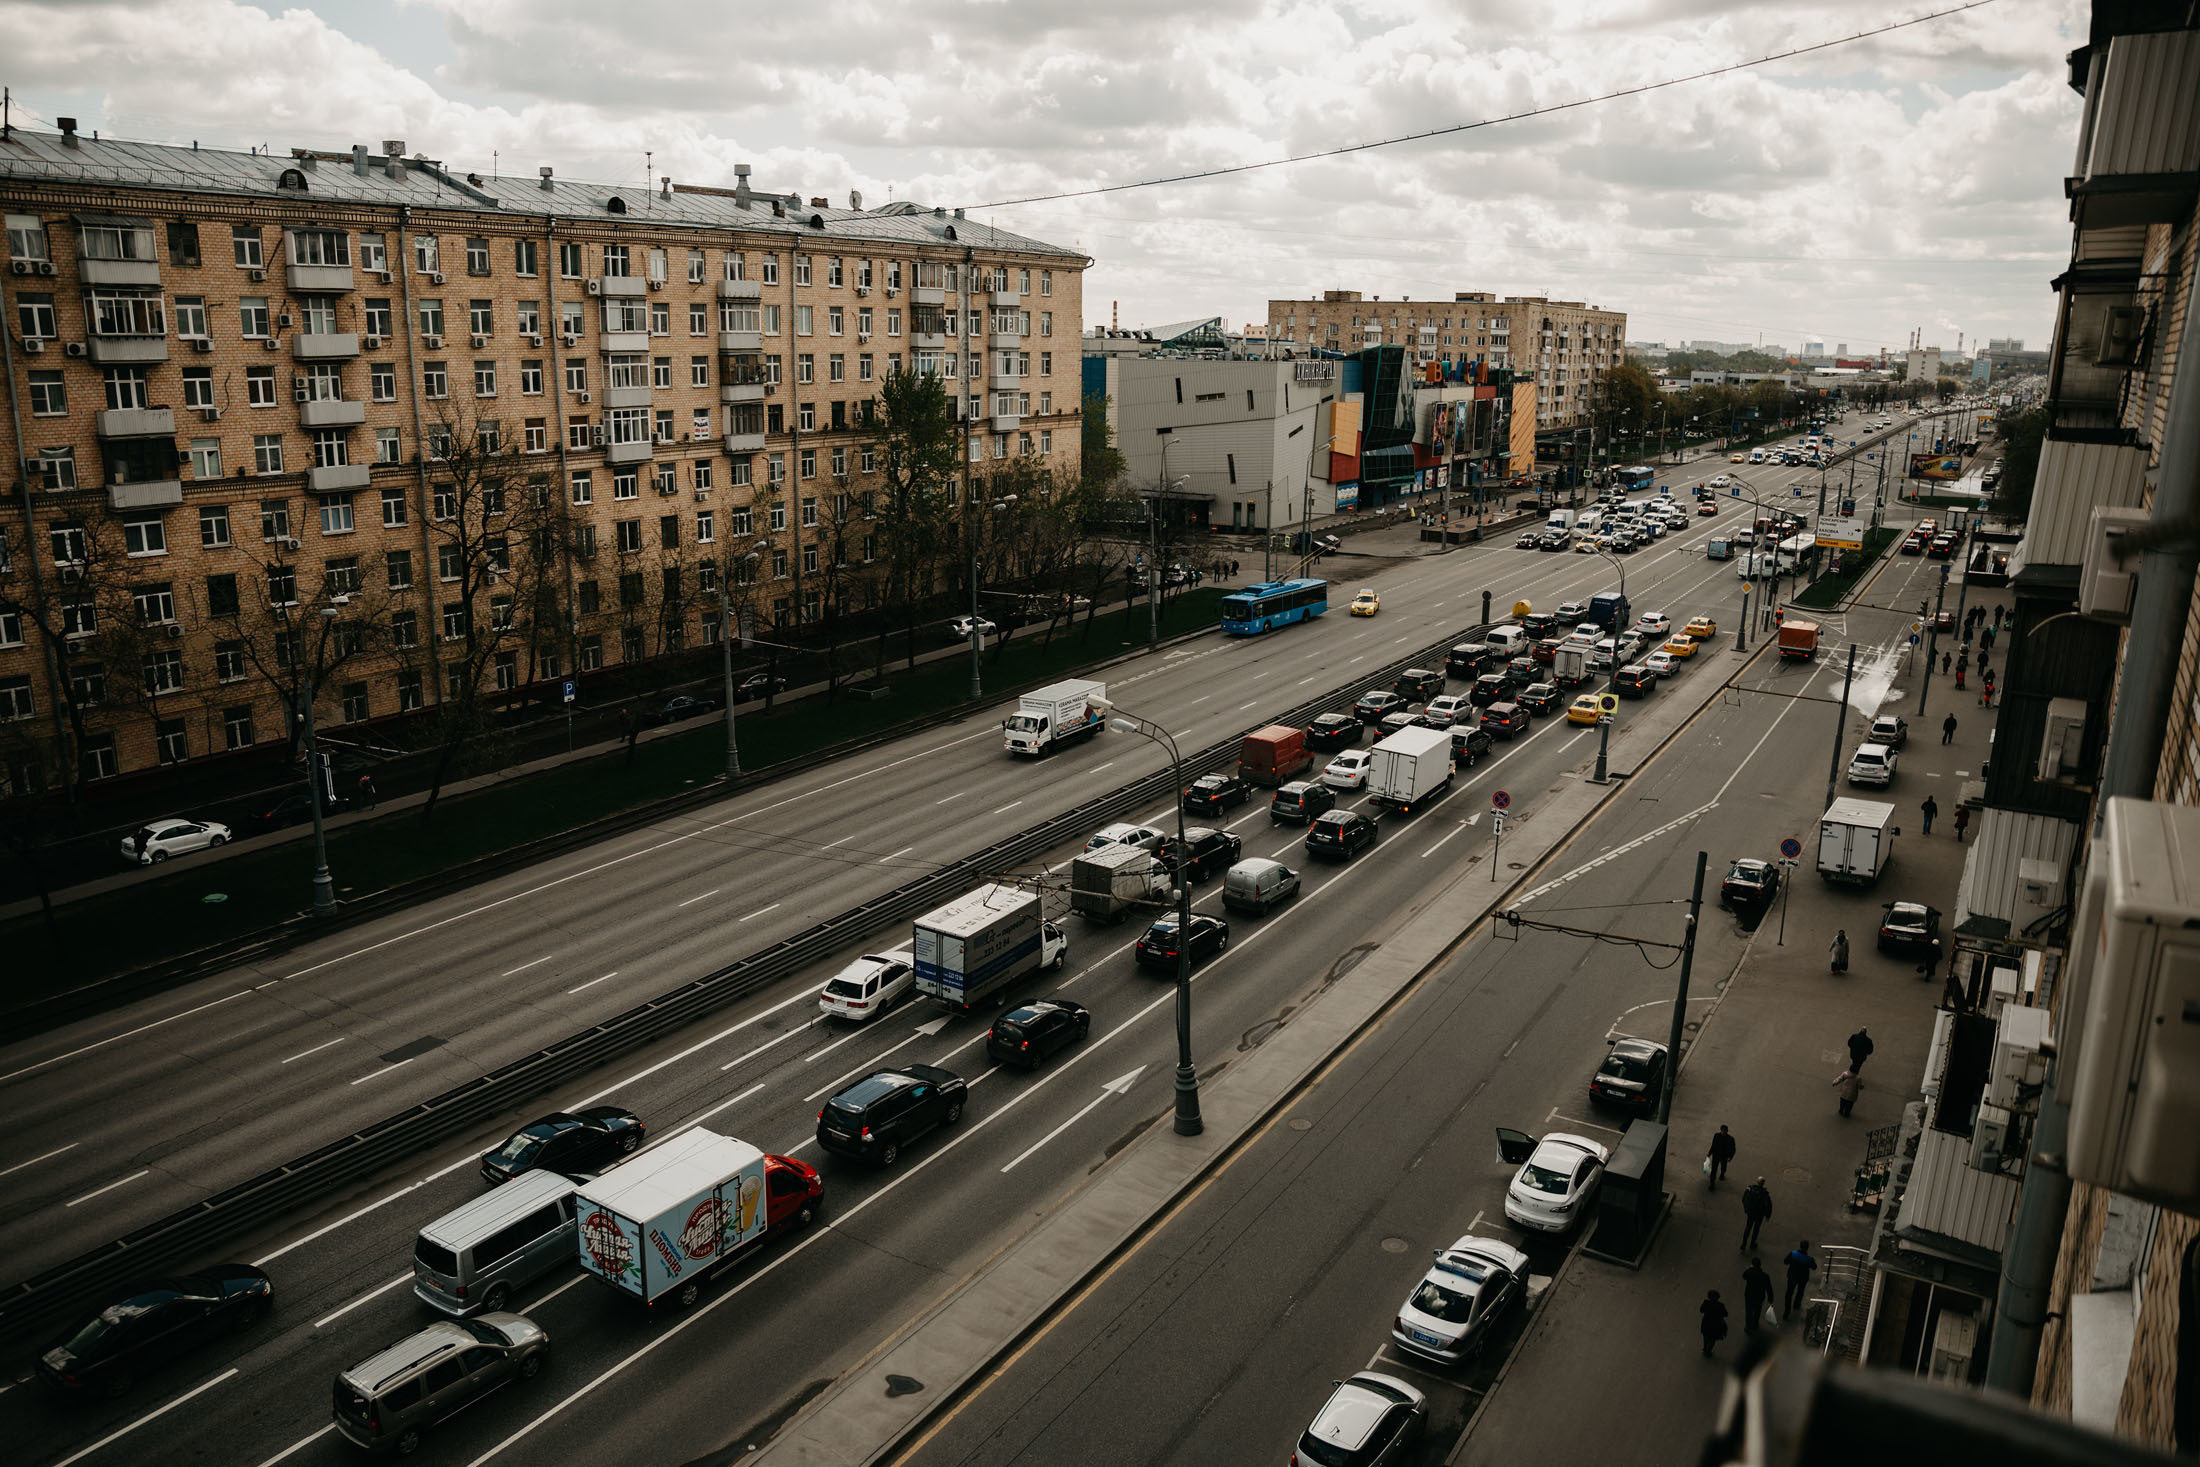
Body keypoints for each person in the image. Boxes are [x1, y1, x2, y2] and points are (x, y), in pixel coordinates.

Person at [1784, 1242, 1818, 1317]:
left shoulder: (1793, 1254)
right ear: (1807, 1248)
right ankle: (1796, 1304)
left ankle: (1787, 1311)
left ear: (1800, 1246)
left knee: (1789, 1293)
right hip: (1803, 1278)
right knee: (1800, 1291)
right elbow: (1814, 1267)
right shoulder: (1809, 1259)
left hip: (1792, 1276)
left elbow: (1785, 1261)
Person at [1743, 1258, 1775, 1336]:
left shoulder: (1749, 1272)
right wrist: (1770, 1298)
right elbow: (1769, 1288)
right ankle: (1755, 1324)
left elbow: (1744, 1276)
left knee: (1749, 1311)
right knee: (1757, 1310)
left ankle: (1748, 1326)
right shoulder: (1765, 1276)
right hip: (1759, 1296)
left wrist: (1750, 1268)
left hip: (1749, 1295)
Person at [1741, 1177, 1773, 1250]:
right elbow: (1768, 1205)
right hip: (1759, 1214)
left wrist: (1746, 1209)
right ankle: (1752, 1244)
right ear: (1763, 1184)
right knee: (1756, 1229)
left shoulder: (1750, 1189)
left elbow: (1744, 1198)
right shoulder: (1765, 1194)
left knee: (1748, 1227)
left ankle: (1743, 1243)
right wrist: (1767, 1215)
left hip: (1751, 1212)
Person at [1700, 1290, 1730, 1358]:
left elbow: (1701, 1310)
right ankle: (1708, 1351)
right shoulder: (1720, 1306)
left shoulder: (1706, 1303)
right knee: (1713, 1338)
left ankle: (1705, 1348)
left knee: (1706, 1336)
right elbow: (1726, 1314)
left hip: (1706, 1323)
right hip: (1716, 1324)